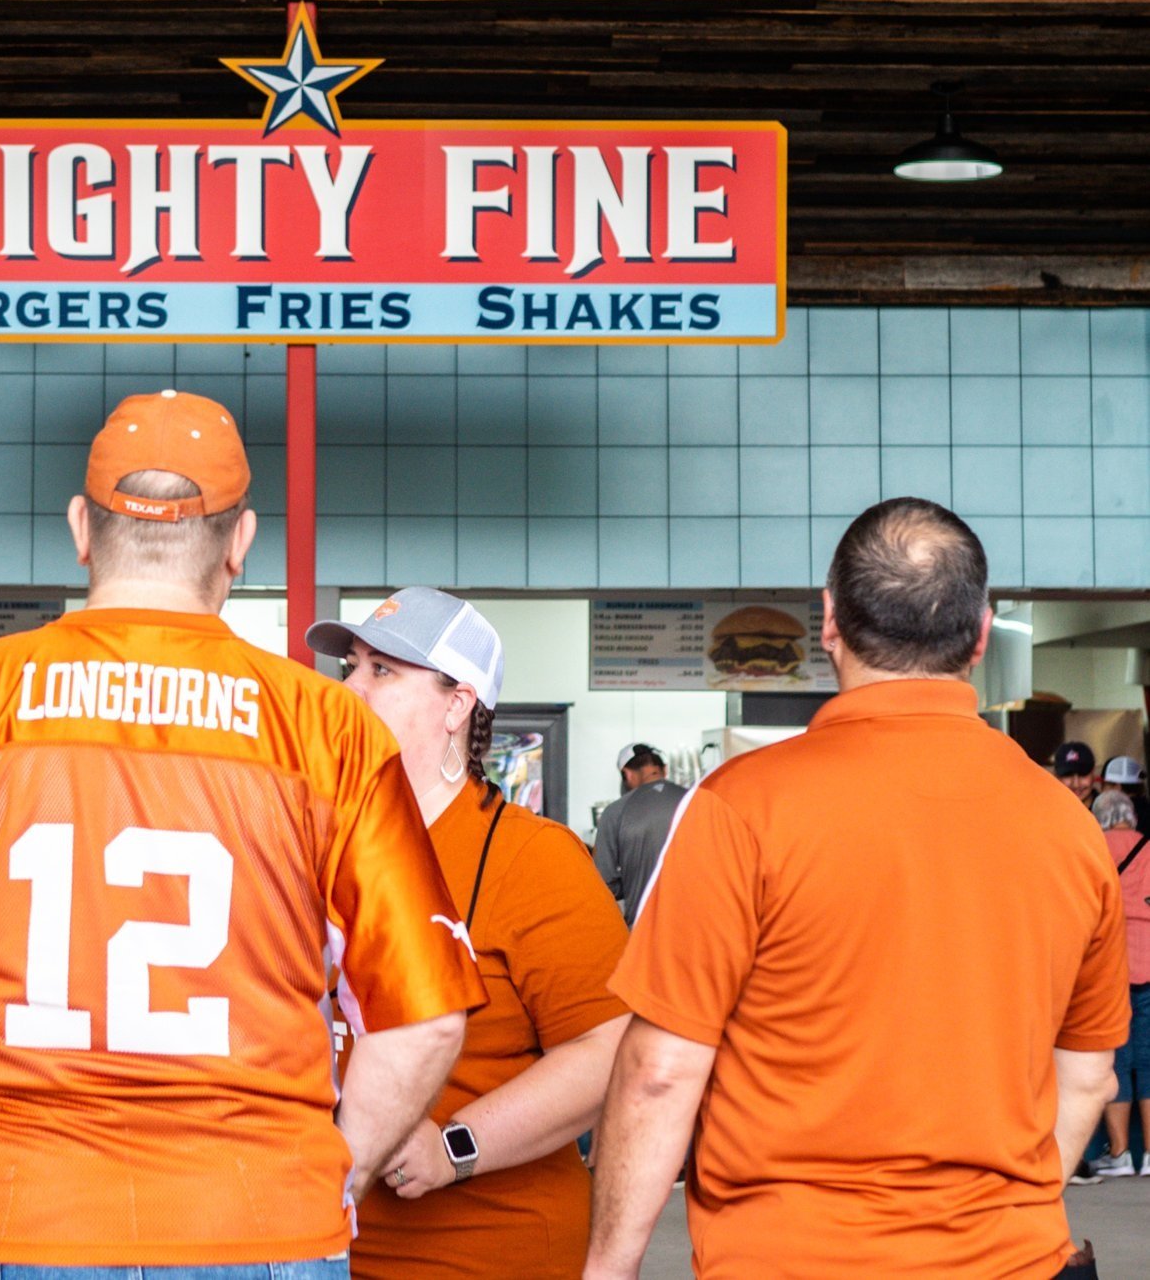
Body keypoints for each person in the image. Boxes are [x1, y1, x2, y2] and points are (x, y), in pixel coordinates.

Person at [0, 390, 484, 1279]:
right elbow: (424, 1021)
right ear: (241, 542)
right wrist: (331, 1181)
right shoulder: (329, 730)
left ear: (79, 527)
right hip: (256, 1220)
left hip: (0, 1217)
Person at [584, 498, 1128, 1280]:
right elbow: (1086, 1074)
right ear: (981, 633)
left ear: (830, 621)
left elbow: (661, 1070)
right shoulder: (1068, 827)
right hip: (1012, 1260)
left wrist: (607, 1267)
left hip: (788, 1258)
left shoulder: (743, 808)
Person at [308, 588, 632, 1280]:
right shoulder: (314, 843)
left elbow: (609, 1047)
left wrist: (458, 1146)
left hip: (486, 1248)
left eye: (383, 672)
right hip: (321, 1247)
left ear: (458, 706)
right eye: (351, 669)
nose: (350, 691)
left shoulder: (532, 859)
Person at [1091, 789, 1150, 1179]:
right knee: (1148, 1059)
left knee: (1118, 1059)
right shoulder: (1148, 847)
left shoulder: (1094, 846)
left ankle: (1120, 1153)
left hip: (1112, 961)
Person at [594, 744, 689, 927]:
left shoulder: (615, 812)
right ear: (664, 769)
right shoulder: (700, 801)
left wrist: (632, 879)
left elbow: (603, 883)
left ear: (627, 774)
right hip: (700, 932)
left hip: (644, 932)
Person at [1101, 756, 1150, 837]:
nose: (1101, 790)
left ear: (1117, 788)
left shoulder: (1114, 818)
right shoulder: (1146, 811)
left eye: (1104, 785)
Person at [1055, 741, 1099, 807]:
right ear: (1056, 776)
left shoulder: (1109, 810)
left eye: (1082, 774)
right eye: (1068, 775)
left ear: (1093, 774)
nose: (1076, 784)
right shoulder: (1046, 809)